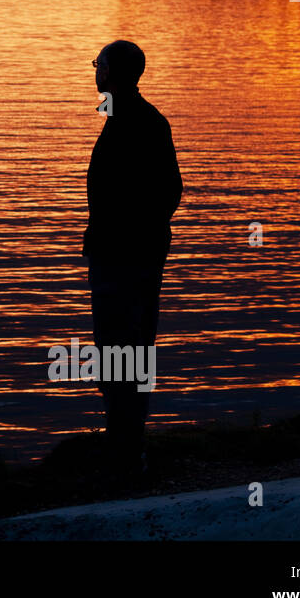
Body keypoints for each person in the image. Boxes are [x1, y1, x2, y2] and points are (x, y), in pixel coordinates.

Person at [84, 40, 182, 481]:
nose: (93, 70)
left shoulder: (135, 121)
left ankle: (125, 455)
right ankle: (126, 448)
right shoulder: (137, 118)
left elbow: (167, 192)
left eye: (98, 64)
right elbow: (170, 192)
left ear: (114, 73)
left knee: (120, 348)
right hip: (132, 254)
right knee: (128, 349)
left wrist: (130, 234)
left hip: (122, 259)